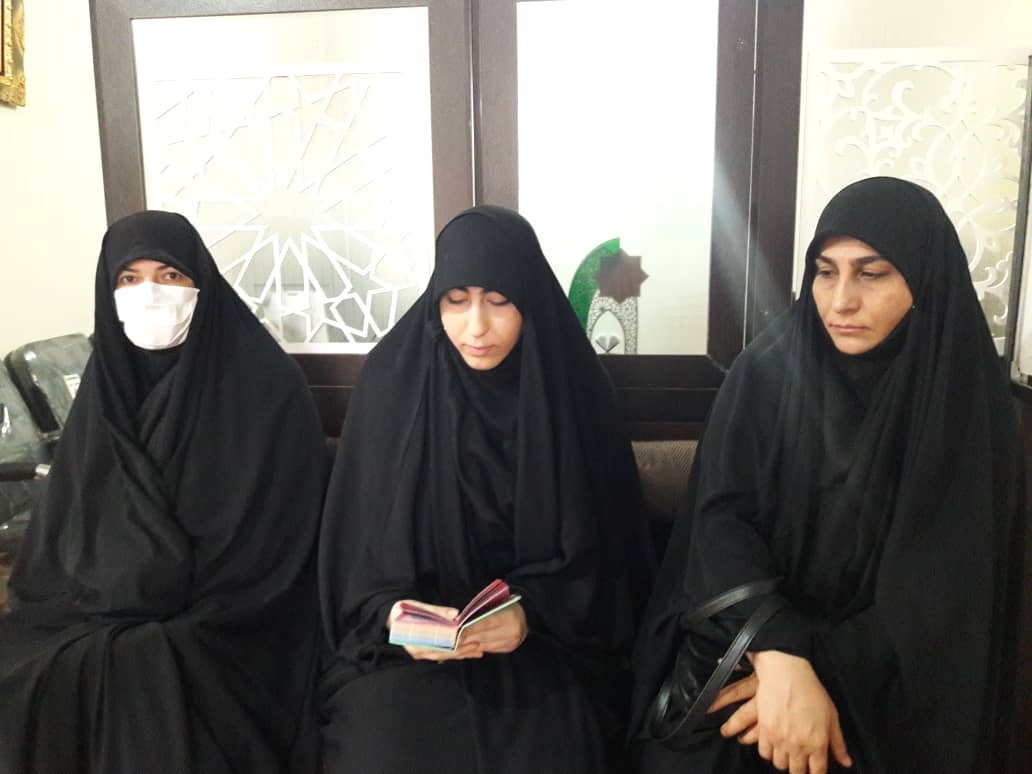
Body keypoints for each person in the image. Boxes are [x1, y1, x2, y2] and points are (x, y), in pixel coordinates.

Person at [630, 177, 1024, 774]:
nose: (841, 301)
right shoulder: (765, 375)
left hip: (893, 682)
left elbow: (943, 595)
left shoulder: (966, 408)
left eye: (872, 274)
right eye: (825, 271)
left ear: (924, 280)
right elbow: (719, 526)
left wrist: (815, 676)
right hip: (751, 650)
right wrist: (780, 657)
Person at [317, 205, 654, 774]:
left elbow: (615, 565)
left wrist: (531, 614)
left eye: (498, 302)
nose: (475, 326)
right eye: (456, 301)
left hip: (549, 652)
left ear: (529, 301)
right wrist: (394, 615)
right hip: (404, 663)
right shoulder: (391, 384)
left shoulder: (575, 393)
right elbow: (354, 562)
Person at [0, 211, 325, 773]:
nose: (149, 293)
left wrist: (152, 603)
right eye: (129, 279)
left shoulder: (267, 388)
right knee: (37, 677)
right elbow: (64, 540)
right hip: (100, 607)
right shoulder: (106, 389)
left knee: (143, 679)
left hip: (231, 619)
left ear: (202, 283)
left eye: (170, 276)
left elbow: (273, 554)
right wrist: (119, 592)